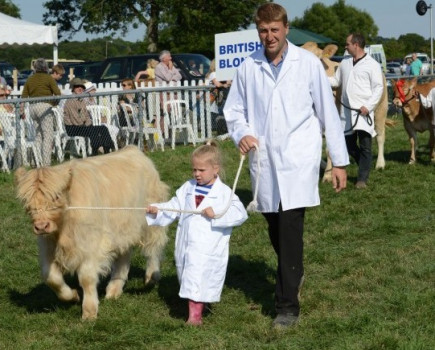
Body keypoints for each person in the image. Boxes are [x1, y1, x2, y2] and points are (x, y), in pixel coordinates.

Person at [223, 3, 349, 328]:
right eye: (263, 31)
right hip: (264, 159)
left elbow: (327, 113)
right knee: (274, 226)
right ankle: (294, 270)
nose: (269, 37)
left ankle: (286, 306)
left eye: (275, 30)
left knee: (291, 226)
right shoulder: (248, 67)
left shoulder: (307, 64)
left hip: (299, 158)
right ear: (258, 31)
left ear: (286, 28)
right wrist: (242, 133)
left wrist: (339, 162)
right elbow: (233, 110)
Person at [145, 140, 248, 326]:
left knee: (198, 277)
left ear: (215, 169)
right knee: (190, 276)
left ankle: (195, 318)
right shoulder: (188, 187)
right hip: (186, 244)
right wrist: (158, 210)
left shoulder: (225, 193)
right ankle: (201, 304)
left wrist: (216, 215)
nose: (197, 174)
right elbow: (175, 206)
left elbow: (240, 213)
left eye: (201, 170)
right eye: (194, 170)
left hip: (208, 247)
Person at [329, 33, 384, 189]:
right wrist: (320, 78)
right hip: (346, 111)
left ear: (356, 45)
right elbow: (336, 81)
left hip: (363, 111)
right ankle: (364, 165)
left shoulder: (372, 64)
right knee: (348, 144)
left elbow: (378, 88)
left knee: (366, 145)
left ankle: (362, 179)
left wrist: (369, 106)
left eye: (347, 44)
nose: (345, 47)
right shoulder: (344, 63)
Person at [21, 58, 61, 166]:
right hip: (45, 107)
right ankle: (46, 163)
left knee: (38, 135)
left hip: (33, 108)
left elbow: (24, 96)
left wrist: (21, 111)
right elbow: (57, 93)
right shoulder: (48, 78)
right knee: (48, 135)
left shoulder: (30, 79)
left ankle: (36, 161)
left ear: (35, 68)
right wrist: (53, 103)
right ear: (45, 67)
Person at [63, 78, 115, 155]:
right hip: (72, 128)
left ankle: (107, 148)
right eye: (77, 87)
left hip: (82, 126)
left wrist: (88, 123)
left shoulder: (81, 100)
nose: (80, 88)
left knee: (103, 128)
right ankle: (95, 151)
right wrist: (86, 121)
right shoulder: (71, 101)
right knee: (92, 130)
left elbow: (86, 116)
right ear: (73, 88)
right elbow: (76, 120)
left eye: (82, 87)